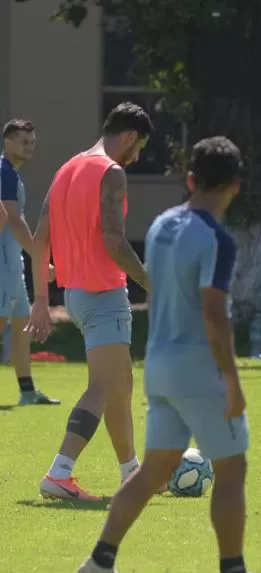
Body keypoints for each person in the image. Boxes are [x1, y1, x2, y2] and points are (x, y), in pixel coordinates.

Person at [73, 136, 261, 573]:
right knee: (232, 471)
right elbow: (214, 315)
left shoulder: (159, 228)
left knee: (152, 472)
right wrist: (231, 381)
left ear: (189, 179)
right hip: (197, 371)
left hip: (160, 365)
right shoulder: (217, 239)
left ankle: (99, 563)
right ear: (235, 186)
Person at [26, 102, 153, 501]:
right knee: (103, 386)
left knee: (122, 385)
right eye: (141, 147)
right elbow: (114, 242)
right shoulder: (111, 172)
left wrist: (42, 300)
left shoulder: (67, 169)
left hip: (76, 295)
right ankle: (60, 473)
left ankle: (131, 473)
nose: (138, 157)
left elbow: (39, 238)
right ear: (130, 136)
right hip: (103, 294)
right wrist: (154, 283)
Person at [0, 119, 58, 405]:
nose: (29, 146)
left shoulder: (11, 173)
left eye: (32, 142)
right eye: (24, 141)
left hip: (14, 264)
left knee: (22, 325)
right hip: (3, 265)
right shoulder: (4, 173)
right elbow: (13, 220)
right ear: (7, 142)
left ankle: (27, 391)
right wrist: (39, 256)